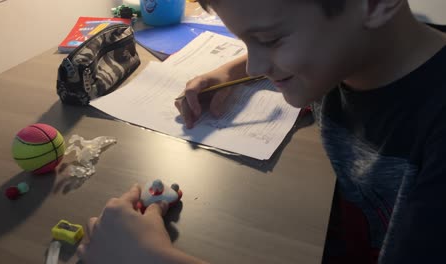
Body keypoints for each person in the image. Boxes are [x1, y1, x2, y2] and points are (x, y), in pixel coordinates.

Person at [77, 0, 446, 263]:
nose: (256, 63)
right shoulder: (347, 57)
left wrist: (152, 259)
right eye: (243, 41)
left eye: (268, 40)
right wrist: (228, 73)